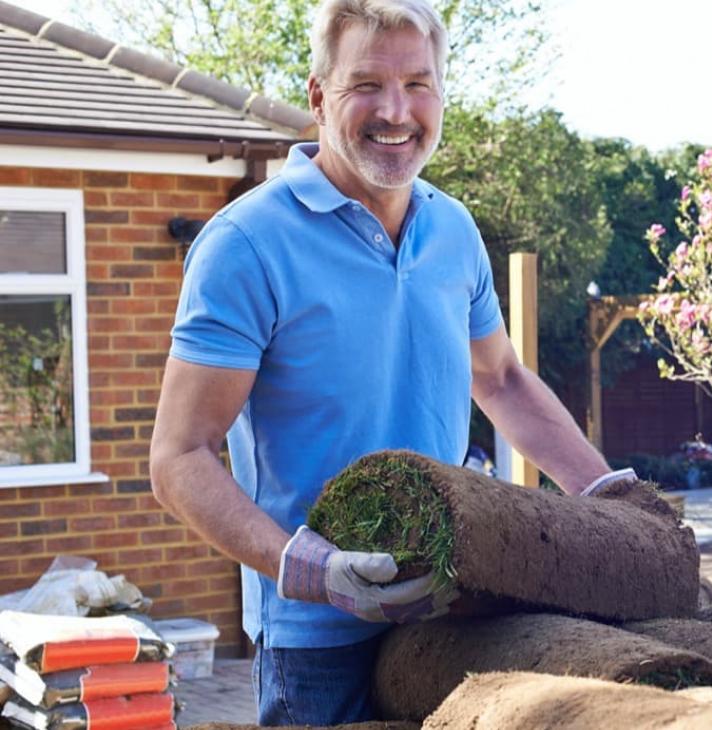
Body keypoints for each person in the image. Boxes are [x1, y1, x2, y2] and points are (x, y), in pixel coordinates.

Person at [147, 0, 633, 724]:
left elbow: (498, 378)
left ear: (441, 94)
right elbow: (178, 457)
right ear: (319, 96)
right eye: (366, 85)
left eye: (418, 83)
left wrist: (609, 500)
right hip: (314, 641)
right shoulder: (246, 244)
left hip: (451, 602)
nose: (396, 111)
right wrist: (308, 570)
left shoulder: (452, 228)